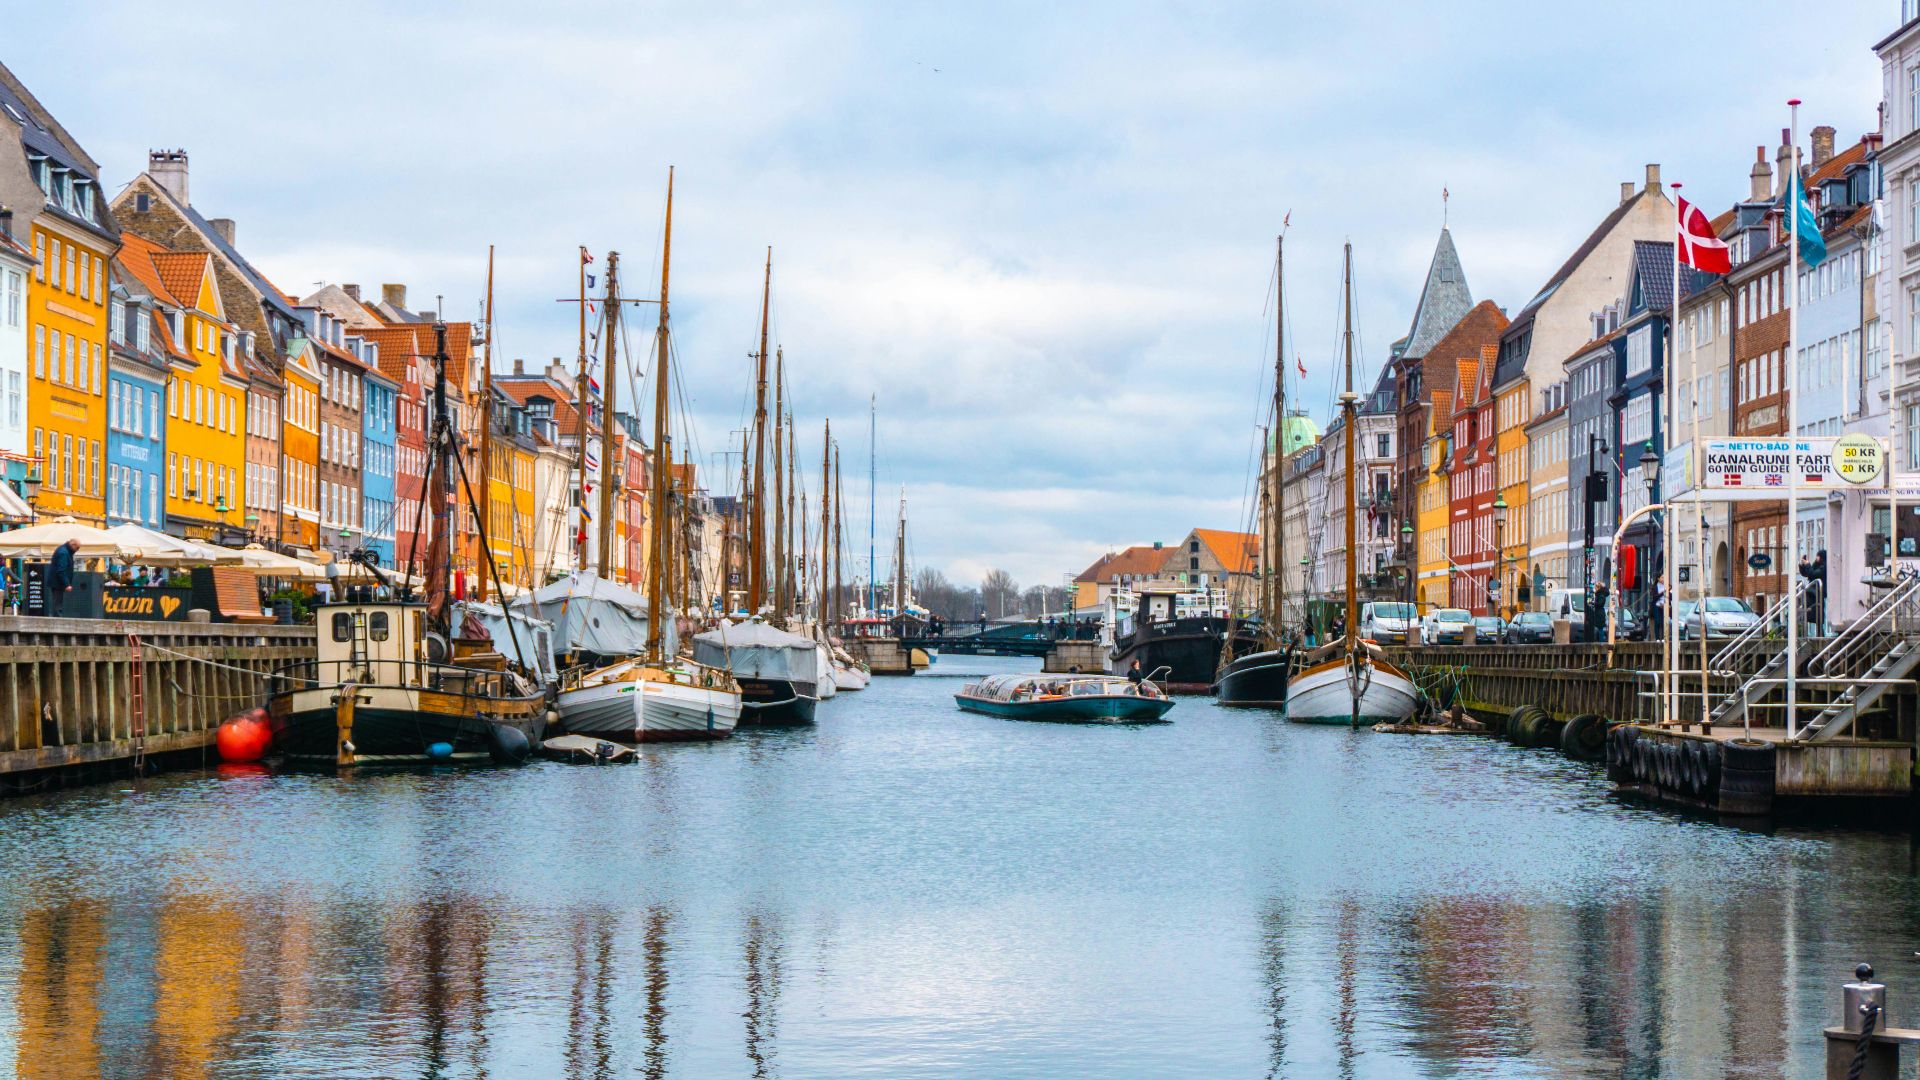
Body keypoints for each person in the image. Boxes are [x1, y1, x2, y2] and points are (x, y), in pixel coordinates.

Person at [48, 538, 78, 617]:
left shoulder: (63, 550)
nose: (77, 550)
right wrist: (67, 584)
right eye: (77, 548)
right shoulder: (64, 552)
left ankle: (57, 618)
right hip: (57, 582)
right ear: (73, 545)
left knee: (57, 602)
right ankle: (57, 621)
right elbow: (61, 570)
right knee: (58, 603)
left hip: (57, 581)